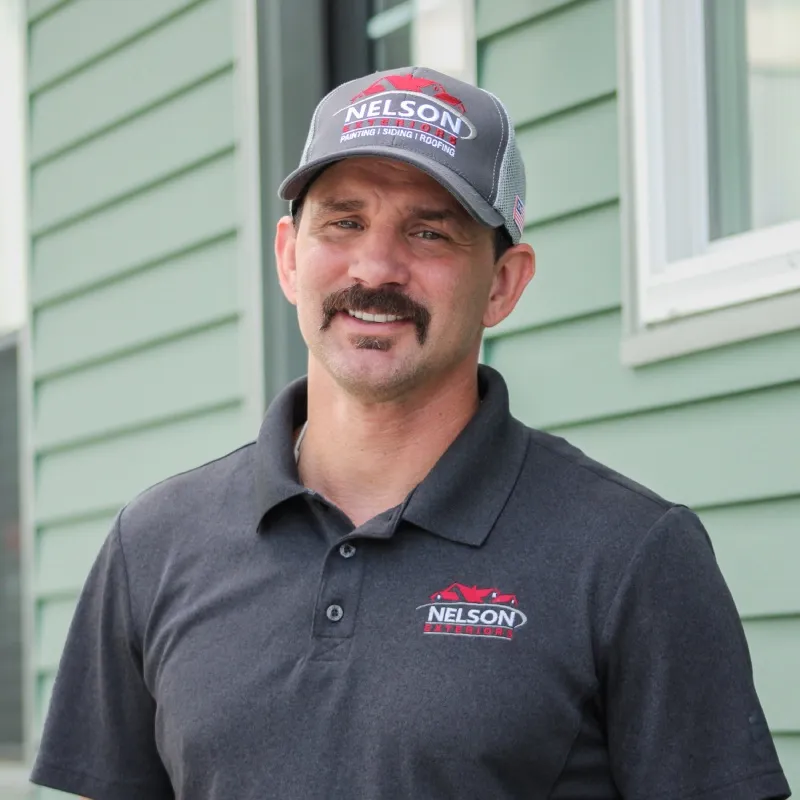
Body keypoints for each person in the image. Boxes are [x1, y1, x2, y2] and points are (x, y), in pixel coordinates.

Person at [31, 67, 790, 800]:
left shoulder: (631, 553)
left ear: (503, 283)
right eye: (345, 221)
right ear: (291, 258)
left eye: (429, 232)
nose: (376, 266)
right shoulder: (157, 542)